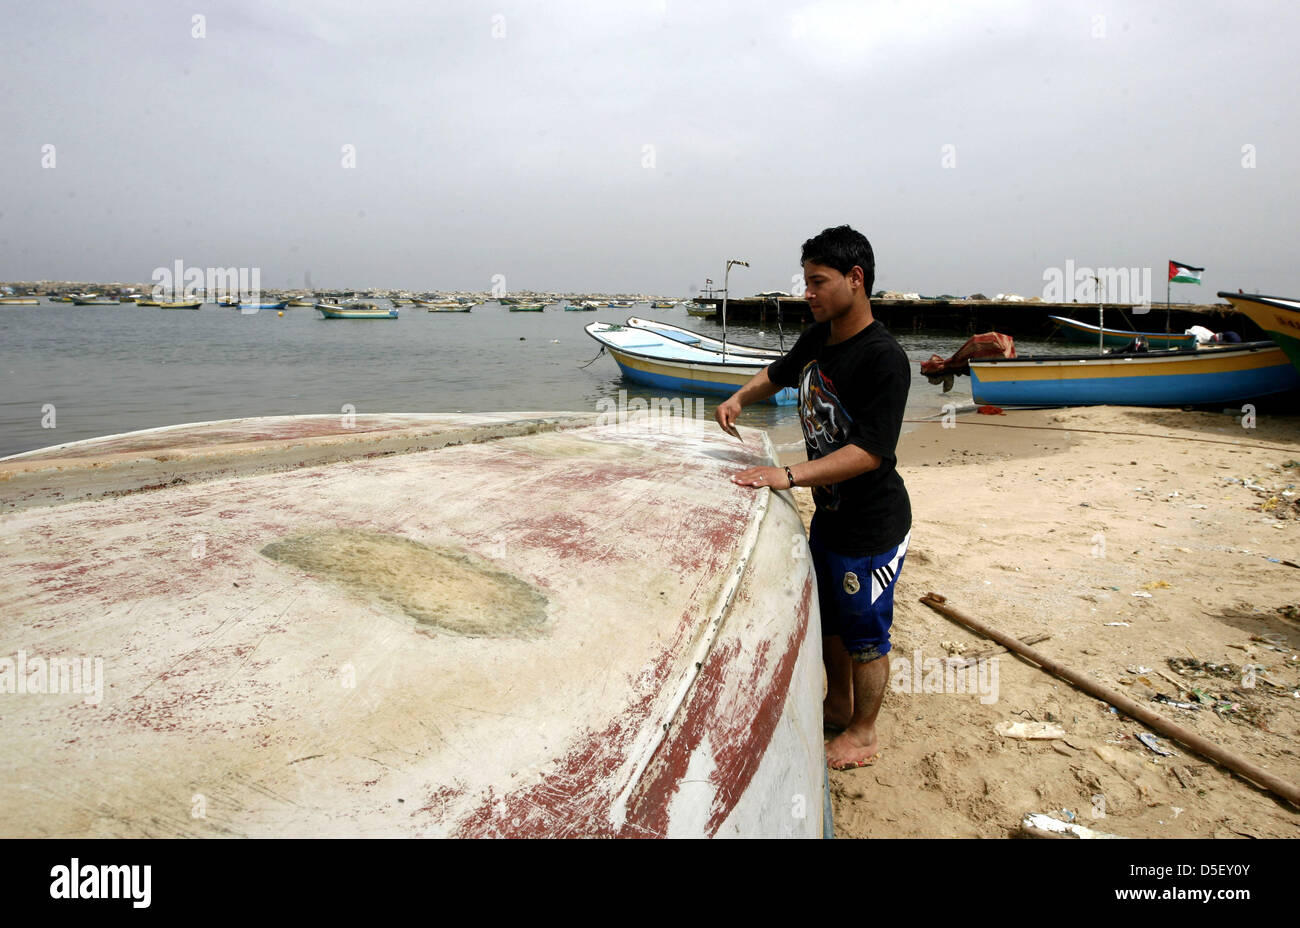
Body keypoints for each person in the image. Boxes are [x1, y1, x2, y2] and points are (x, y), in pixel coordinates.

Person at [715, 225, 911, 771]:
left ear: (856, 279)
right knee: (831, 622)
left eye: (818, 281)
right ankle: (839, 702)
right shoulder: (819, 337)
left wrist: (788, 475)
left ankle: (864, 733)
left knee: (867, 633)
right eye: (805, 280)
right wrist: (736, 398)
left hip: (873, 525)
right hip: (831, 513)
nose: (808, 292)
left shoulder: (884, 359)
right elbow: (776, 376)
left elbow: (870, 452)